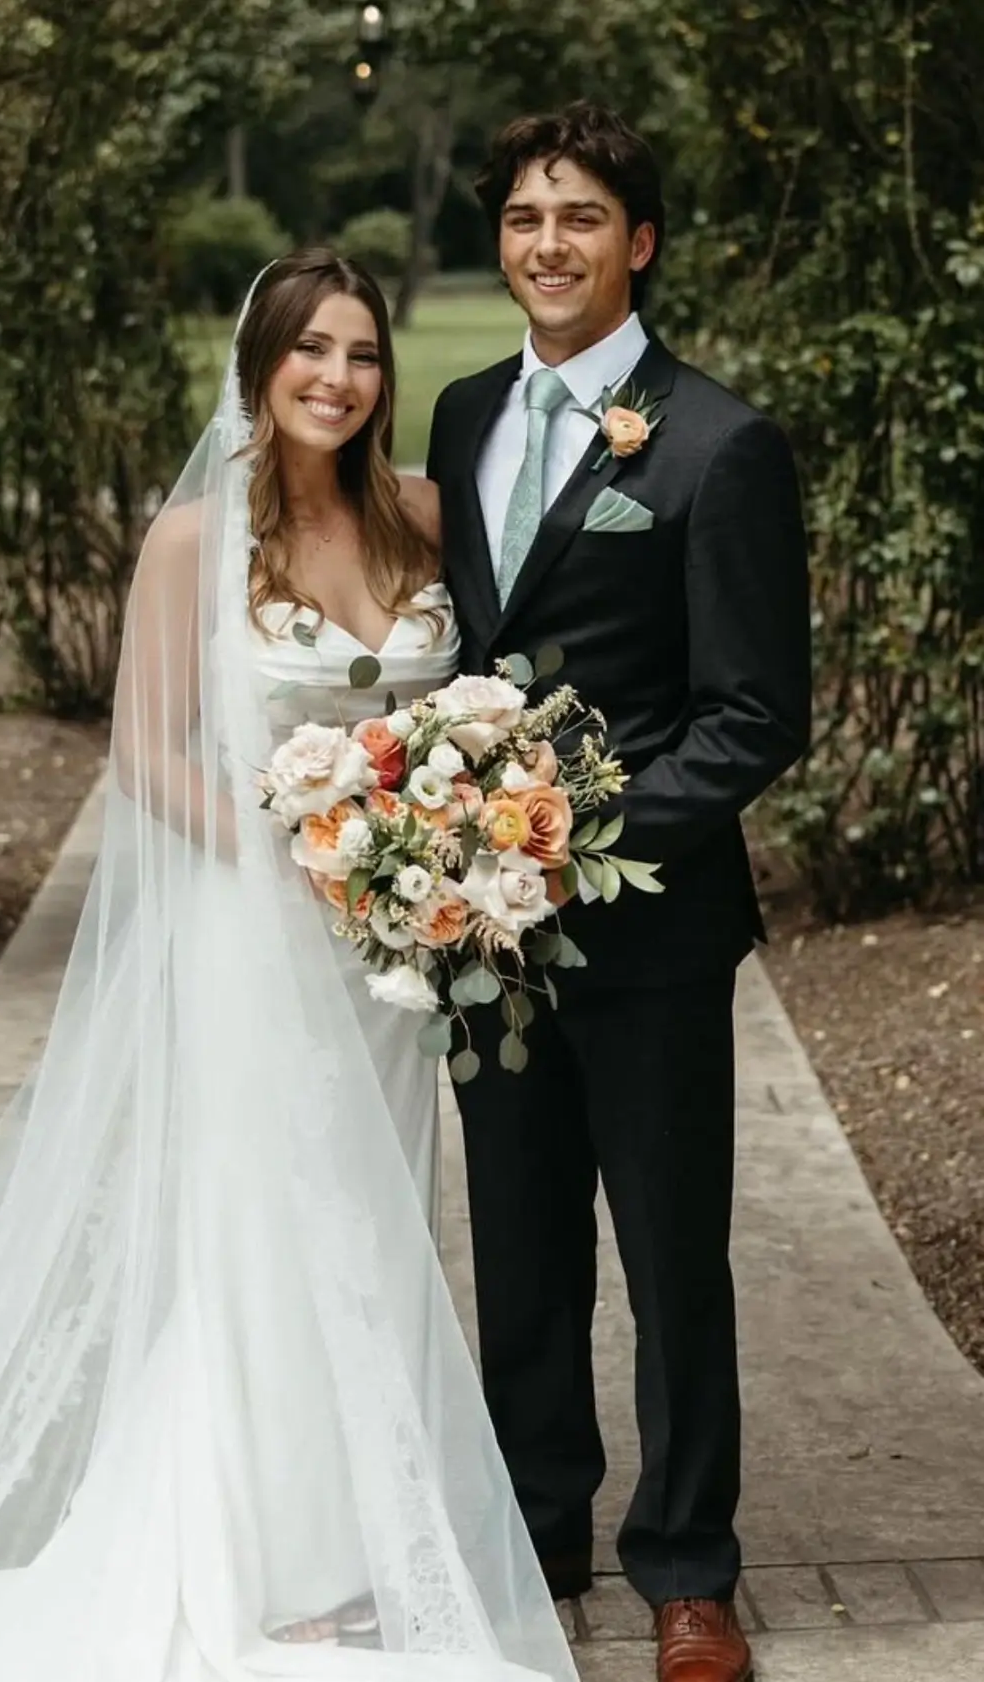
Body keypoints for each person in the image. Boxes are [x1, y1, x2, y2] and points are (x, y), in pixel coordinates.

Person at [0, 251, 577, 1682]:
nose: (340, 376)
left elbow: (472, 708)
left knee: (379, 1218)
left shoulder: (425, 518)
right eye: (312, 348)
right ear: (259, 365)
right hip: (263, 941)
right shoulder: (194, 540)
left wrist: (433, 854)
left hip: (400, 953)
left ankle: (368, 1523)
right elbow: (149, 756)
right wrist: (307, 850)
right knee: (272, 1219)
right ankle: (284, 1556)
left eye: (364, 353)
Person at [426, 103, 811, 1682]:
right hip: (478, 935)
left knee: (669, 1250)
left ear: (637, 242)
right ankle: (538, 1519)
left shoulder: (719, 443)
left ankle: (690, 1563)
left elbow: (753, 715)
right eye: (524, 217)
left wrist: (576, 837)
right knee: (517, 1240)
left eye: (580, 216)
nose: (548, 244)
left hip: (649, 927)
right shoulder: (458, 418)